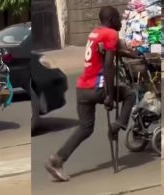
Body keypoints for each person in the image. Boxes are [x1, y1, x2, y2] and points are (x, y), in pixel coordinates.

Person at [45, 6, 141, 182]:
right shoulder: (111, 34)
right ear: (112, 19)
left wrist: (125, 52)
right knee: (129, 94)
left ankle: (57, 159)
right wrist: (110, 96)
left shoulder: (95, 33)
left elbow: (103, 53)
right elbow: (109, 65)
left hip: (82, 88)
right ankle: (118, 125)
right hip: (97, 87)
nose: (120, 22)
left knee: (85, 128)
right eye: (118, 19)